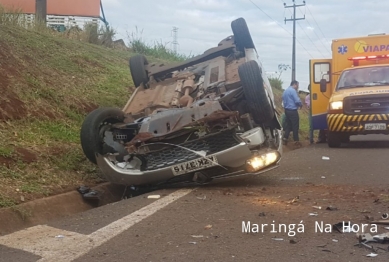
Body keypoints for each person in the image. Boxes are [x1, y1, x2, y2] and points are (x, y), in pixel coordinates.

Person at [282, 80, 302, 146]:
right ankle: (296, 141)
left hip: (287, 110)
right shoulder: (293, 91)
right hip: (292, 111)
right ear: (295, 84)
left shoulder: (285, 91)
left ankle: (285, 138)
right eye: (297, 85)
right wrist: (300, 104)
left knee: (289, 125)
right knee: (295, 125)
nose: (298, 87)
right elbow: (297, 100)